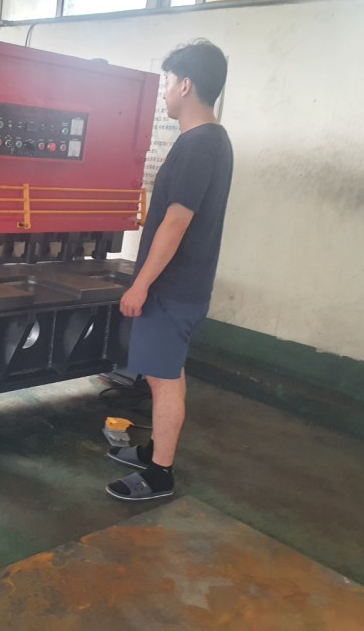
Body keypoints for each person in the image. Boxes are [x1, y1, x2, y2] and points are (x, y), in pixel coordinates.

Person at [106, 39, 233, 501]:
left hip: (172, 288)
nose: (164, 93)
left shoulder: (198, 145)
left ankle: (160, 473)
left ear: (186, 85)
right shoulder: (212, 140)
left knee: (163, 380)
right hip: (183, 285)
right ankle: (155, 451)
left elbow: (176, 223)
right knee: (167, 374)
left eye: (167, 82)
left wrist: (140, 285)